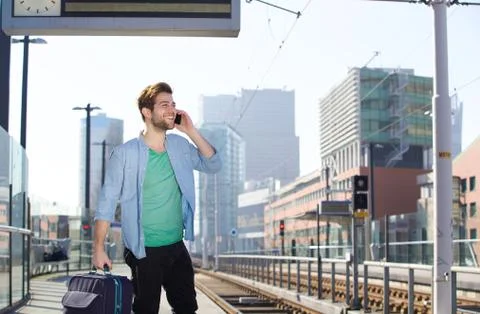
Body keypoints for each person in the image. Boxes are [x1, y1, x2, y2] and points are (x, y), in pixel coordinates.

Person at [92, 82, 222, 314]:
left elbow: (213, 164)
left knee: (187, 308)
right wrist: (98, 248)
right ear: (147, 112)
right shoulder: (125, 154)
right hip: (144, 250)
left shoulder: (181, 146)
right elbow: (106, 203)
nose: (172, 109)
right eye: (164, 104)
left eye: (173, 104)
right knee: (146, 309)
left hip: (176, 246)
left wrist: (191, 131)